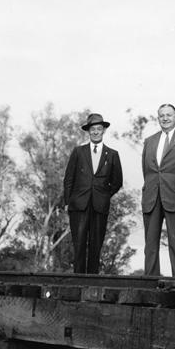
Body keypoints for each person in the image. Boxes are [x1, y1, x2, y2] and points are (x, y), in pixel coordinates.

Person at [63, 113, 123, 274]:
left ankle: (93, 281)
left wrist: (104, 194)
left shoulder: (112, 155)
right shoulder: (78, 152)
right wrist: (68, 202)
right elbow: (68, 179)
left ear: (103, 130)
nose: (95, 132)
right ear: (88, 131)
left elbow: (117, 182)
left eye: (98, 129)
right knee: (79, 244)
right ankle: (78, 281)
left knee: (96, 245)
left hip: (99, 206)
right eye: (92, 129)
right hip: (79, 205)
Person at [141, 104, 175, 277]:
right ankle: (150, 281)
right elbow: (147, 170)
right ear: (158, 118)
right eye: (162, 115)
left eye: (169, 115)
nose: (165, 118)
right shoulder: (149, 141)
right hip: (152, 197)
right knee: (150, 245)